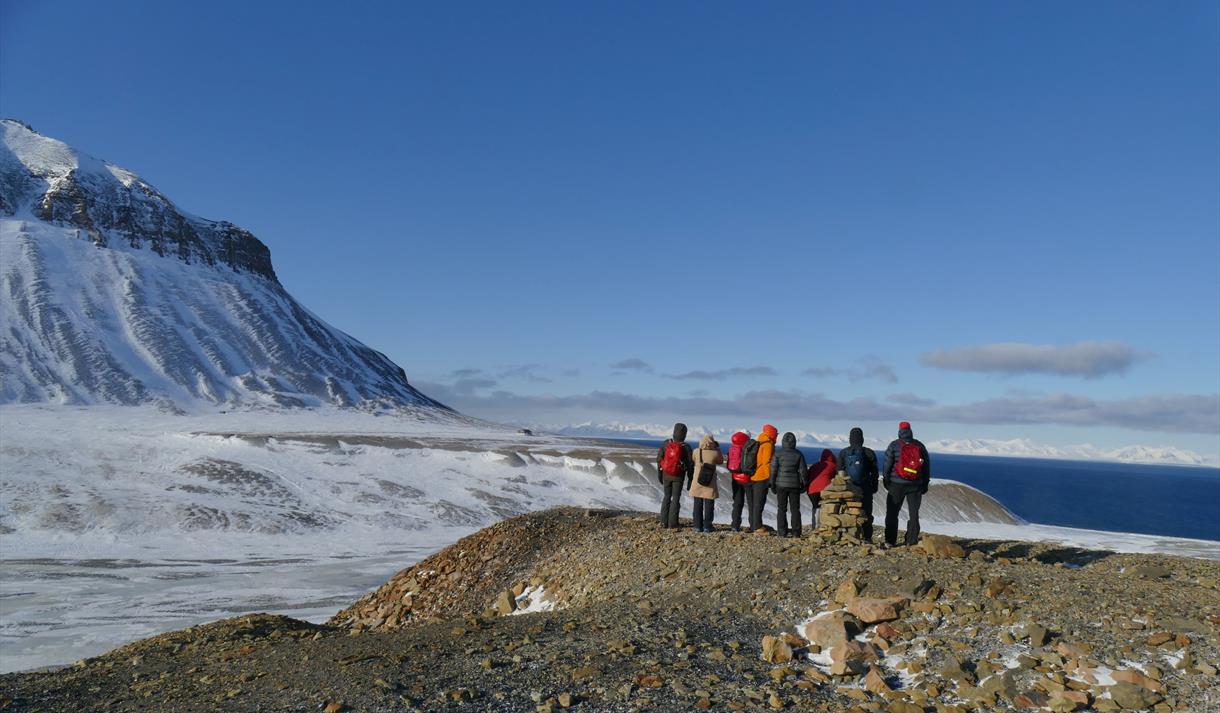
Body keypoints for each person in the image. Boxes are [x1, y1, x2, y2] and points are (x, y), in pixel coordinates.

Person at [881, 421, 931, 547]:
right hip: (915, 484)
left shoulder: (894, 445)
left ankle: (890, 541)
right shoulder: (919, 445)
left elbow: (887, 464)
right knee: (914, 514)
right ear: (910, 430)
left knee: (892, 513)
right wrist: (925, 483)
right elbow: (926, 466)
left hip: (896, 484)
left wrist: (886, 480)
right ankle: (911, 540)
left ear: (899, 431)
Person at [839, 427, 880, 541]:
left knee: (848, 511)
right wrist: (874, 487)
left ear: (850, 439)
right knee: (866, 512)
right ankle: (867, 537)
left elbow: (839, 472)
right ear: (862, 439)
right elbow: (875, 472)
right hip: (865, 488)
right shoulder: (869, 452)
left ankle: (850, 536)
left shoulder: (843, 453)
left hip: (849, 488)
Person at [769, 432, 808, 537]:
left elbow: (773, 470)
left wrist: (772, 484)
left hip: (780, 485)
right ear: (794, 442)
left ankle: (782, 532)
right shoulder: (798, 454)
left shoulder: (777, 453)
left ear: (783, 442)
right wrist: (805, 484)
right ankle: (796, 532)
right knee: (795, 509)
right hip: (794, 485)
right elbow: (803, 471)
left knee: (781, 509)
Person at [657, 422, 694, 529]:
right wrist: (690, 479)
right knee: (676, 498)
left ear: (674, 432)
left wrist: (659, 474)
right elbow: (690, 465)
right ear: (684, 434)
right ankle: (673, 523)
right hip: (678, 476)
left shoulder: (666, 444)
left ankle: (663, 522)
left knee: (666, 497)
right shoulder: (686, 447)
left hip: (666, 475)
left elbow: (659, 460)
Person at [688, 434, 724, 533]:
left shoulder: (696, 451)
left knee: (697, 503)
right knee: (709, 504)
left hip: (697, 481)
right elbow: (720, 461)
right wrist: (717, 448)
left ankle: (697, 526)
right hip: (710, 482)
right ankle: (707, 526)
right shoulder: (715, 453)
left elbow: (693, 459)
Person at [747, 424, 778, 532]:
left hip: (755, 476)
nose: (777, 437)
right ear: (772, 434)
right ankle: (758, 526)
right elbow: (766, 463)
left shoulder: (760, 441)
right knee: (759, 503)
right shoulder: (768, 444)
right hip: (762, 477)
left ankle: (754, 525)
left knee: (755, 502)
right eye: (776, 434)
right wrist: (770, 478)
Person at [805, 448, 837, 528]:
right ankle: (824, 528)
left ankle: (814, 527)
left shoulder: (814, 465)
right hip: (825, 490)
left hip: (811, 490)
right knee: (825, 507)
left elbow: (808, 476)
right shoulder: (833, 465)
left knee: (815, 507)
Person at [726, 431, 751, 531]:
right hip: (746, 478)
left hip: (735, 477)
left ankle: (735, 525)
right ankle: (753, 525)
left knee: (737, 502)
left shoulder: (733, 446)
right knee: (751, 503)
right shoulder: (747, 447)